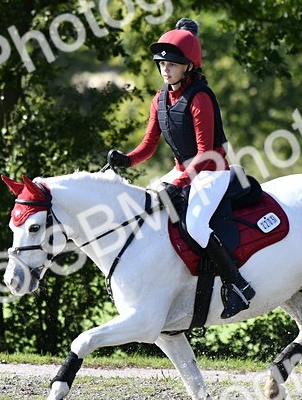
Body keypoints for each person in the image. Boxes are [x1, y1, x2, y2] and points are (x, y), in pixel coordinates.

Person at [107, 17, 256, 319]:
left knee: (196, 226)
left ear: (189, 66)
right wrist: (127, 159)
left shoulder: (200, 98)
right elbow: (148, 145)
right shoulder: (160, 98)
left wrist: (179, 183)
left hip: (212, 172)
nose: (165, 69)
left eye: (172, 65)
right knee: (146, 211)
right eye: (162, 64)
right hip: (184, 171)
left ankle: (237, 285)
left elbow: (205, 153)